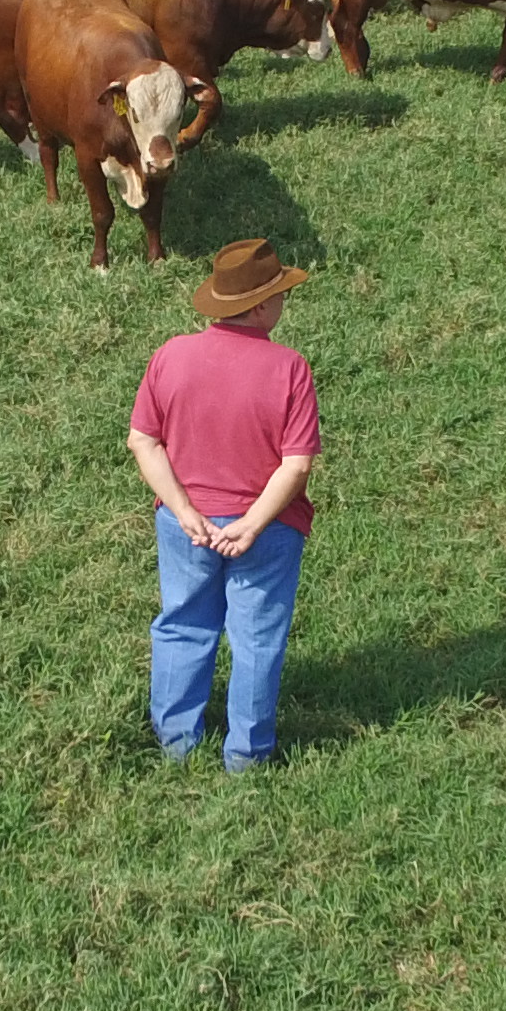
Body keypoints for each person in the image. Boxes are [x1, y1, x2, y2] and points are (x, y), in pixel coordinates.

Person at [128, 238, 323, 771]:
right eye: (281, 292)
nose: (285, 301)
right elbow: (297, 463)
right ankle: (247, 756)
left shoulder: (171, 355)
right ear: (260, 305)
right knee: (257, 639)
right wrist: (253, 524)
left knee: (183, 623)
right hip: (268, 531)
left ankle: (175, 744)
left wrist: (186, 511)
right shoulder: (290, 369)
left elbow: (143, 441)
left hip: (183, 525)